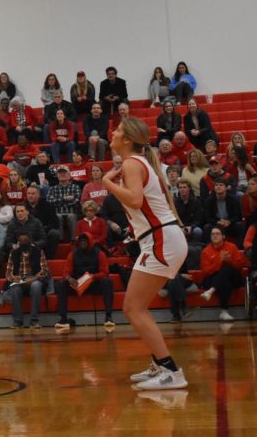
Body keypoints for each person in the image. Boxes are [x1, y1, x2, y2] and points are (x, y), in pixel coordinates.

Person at [102, 116, 188, 391]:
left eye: (117, 131)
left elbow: (136, 200)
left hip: (162, 239)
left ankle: (171, 370)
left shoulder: (130, 163)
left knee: (133, 308)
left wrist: (107, 183)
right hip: (159, 238)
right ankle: (160, 364)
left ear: (127, 140)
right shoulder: (137, 162)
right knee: (135, 307)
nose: (112, 134)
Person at [53, 232, 115, 333]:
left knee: (107, 282)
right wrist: (69, 279)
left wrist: (93, 277)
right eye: (81, 241)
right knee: (60, 284)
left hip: (94, 284)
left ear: (90, 242)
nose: (82, 242)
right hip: (77, 284)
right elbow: (66, 272)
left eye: (85, 241)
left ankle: (108, 316)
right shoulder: (72, 254)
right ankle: (63, 319)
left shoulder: (99, 253)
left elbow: (105, 272)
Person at [199, 227, 247, 321]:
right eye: (212, 234)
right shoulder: (205, 251)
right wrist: (219, 261)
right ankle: (224, 312)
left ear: (223, 236)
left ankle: (211, 291)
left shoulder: (232, 247)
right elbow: (206, 271)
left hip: (234, 279)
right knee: (224, 280)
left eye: (217, 233)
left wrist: (230, 261)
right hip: (214, 279)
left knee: (227, 268)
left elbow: (241, 265)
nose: (215, 235)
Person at [5, 231, 49, 330]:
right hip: (20, 280)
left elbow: (44, 271)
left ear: (30, 241)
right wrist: (14, 278)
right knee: (15, 289)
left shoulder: (38, 251)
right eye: (20, 241)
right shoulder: (14, 253)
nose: (23, 243)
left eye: (25, 240)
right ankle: (17, 321)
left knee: (36, 286)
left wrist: (33, 278)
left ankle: (34, 321)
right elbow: (8, 273)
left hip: (34, 279)